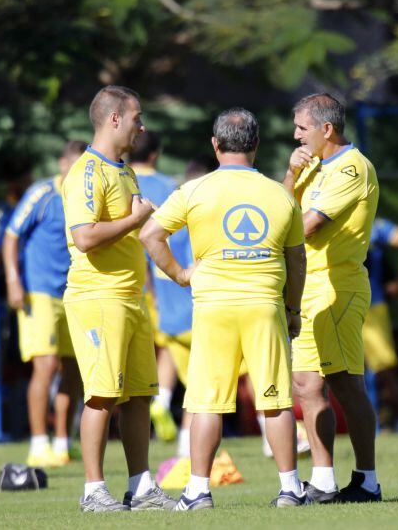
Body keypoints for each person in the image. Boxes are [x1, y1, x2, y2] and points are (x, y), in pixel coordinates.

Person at [140, 108, 308, 509]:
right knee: (275, 400)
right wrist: (293, 308)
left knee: (206, 403)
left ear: (215, 146)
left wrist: (181, 274)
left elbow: (150, 234)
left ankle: (198, 491)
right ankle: (290, 488)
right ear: (257, 145)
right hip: (265, 304)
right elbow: (297, 258)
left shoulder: (194, 190)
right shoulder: (280, 194)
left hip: (213, 306)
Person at [62, 85, 174, 512]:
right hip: (97, 297)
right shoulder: (87, 172)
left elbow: (137, 229)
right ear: (113, 119)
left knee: (140, 395)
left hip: (130, 297)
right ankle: (93, 490)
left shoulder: (125, 170)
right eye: (135, 118)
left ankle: (141, 487)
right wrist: (135, 218)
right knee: (102, 395)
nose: (141, 126)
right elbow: (85, 237)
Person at [283, 93, 382, 503]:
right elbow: (280, 208)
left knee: (345, 383)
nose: (295, 136)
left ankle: (367, 480)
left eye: (302, 128)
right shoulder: (311, 166)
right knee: (306, 384)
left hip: (339, 287)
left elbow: (305, 226)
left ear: (327, 129)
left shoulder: (352, 169)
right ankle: (323, 480)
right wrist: (290, 174)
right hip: (309, 286)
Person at [2, 141, 86, 467]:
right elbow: (11, 235)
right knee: (46, 365)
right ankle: (38, 443)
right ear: (62, 163)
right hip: (39, 292)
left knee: (74, 369)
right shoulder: (43, 193)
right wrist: (13, 279)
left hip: (74, 292)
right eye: (73, 164)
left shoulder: (86, 196)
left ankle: (63, 442)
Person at [129, 131, 185, 444]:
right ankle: (161, 400)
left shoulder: (120, 181)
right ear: (155, 154)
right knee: (170, 345)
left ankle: (151, 403)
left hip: (128, 280)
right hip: (163, 280)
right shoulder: (169, 187)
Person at [363, 218, 398, 432]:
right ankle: (370, 427)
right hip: (336, 304)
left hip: (372, 307)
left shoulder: (374, 225)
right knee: (353, 373)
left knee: (384, 370)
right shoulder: (326, 216)